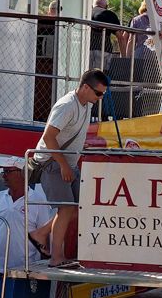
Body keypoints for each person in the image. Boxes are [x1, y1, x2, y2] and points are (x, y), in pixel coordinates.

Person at [34, 69, 110, 266]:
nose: (101, 97)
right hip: (53, 164)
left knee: (82, 207)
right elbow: (48, 137)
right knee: (66, 208)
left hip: (68, 164)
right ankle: (55, 256)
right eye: (99, 93)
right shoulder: (67, 105)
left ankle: (40, 233)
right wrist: (64, 166)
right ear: (85, 87)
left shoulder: (86, 104)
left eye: (103, 94)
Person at [0, 158, 55, 271]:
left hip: (24, 269)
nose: (4, 176)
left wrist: (44, 265)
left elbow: (44, 236)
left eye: (8, 172)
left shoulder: (38, 200)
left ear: (22, 173)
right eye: (3, 172)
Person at [89, 0, 126, 70]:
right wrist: (124, 58)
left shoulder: (86, 13)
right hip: (103, 49)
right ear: (106, 6)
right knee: (100, 75)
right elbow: (120, 37)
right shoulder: (109, 14)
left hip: (86, 49)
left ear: (92, 5)